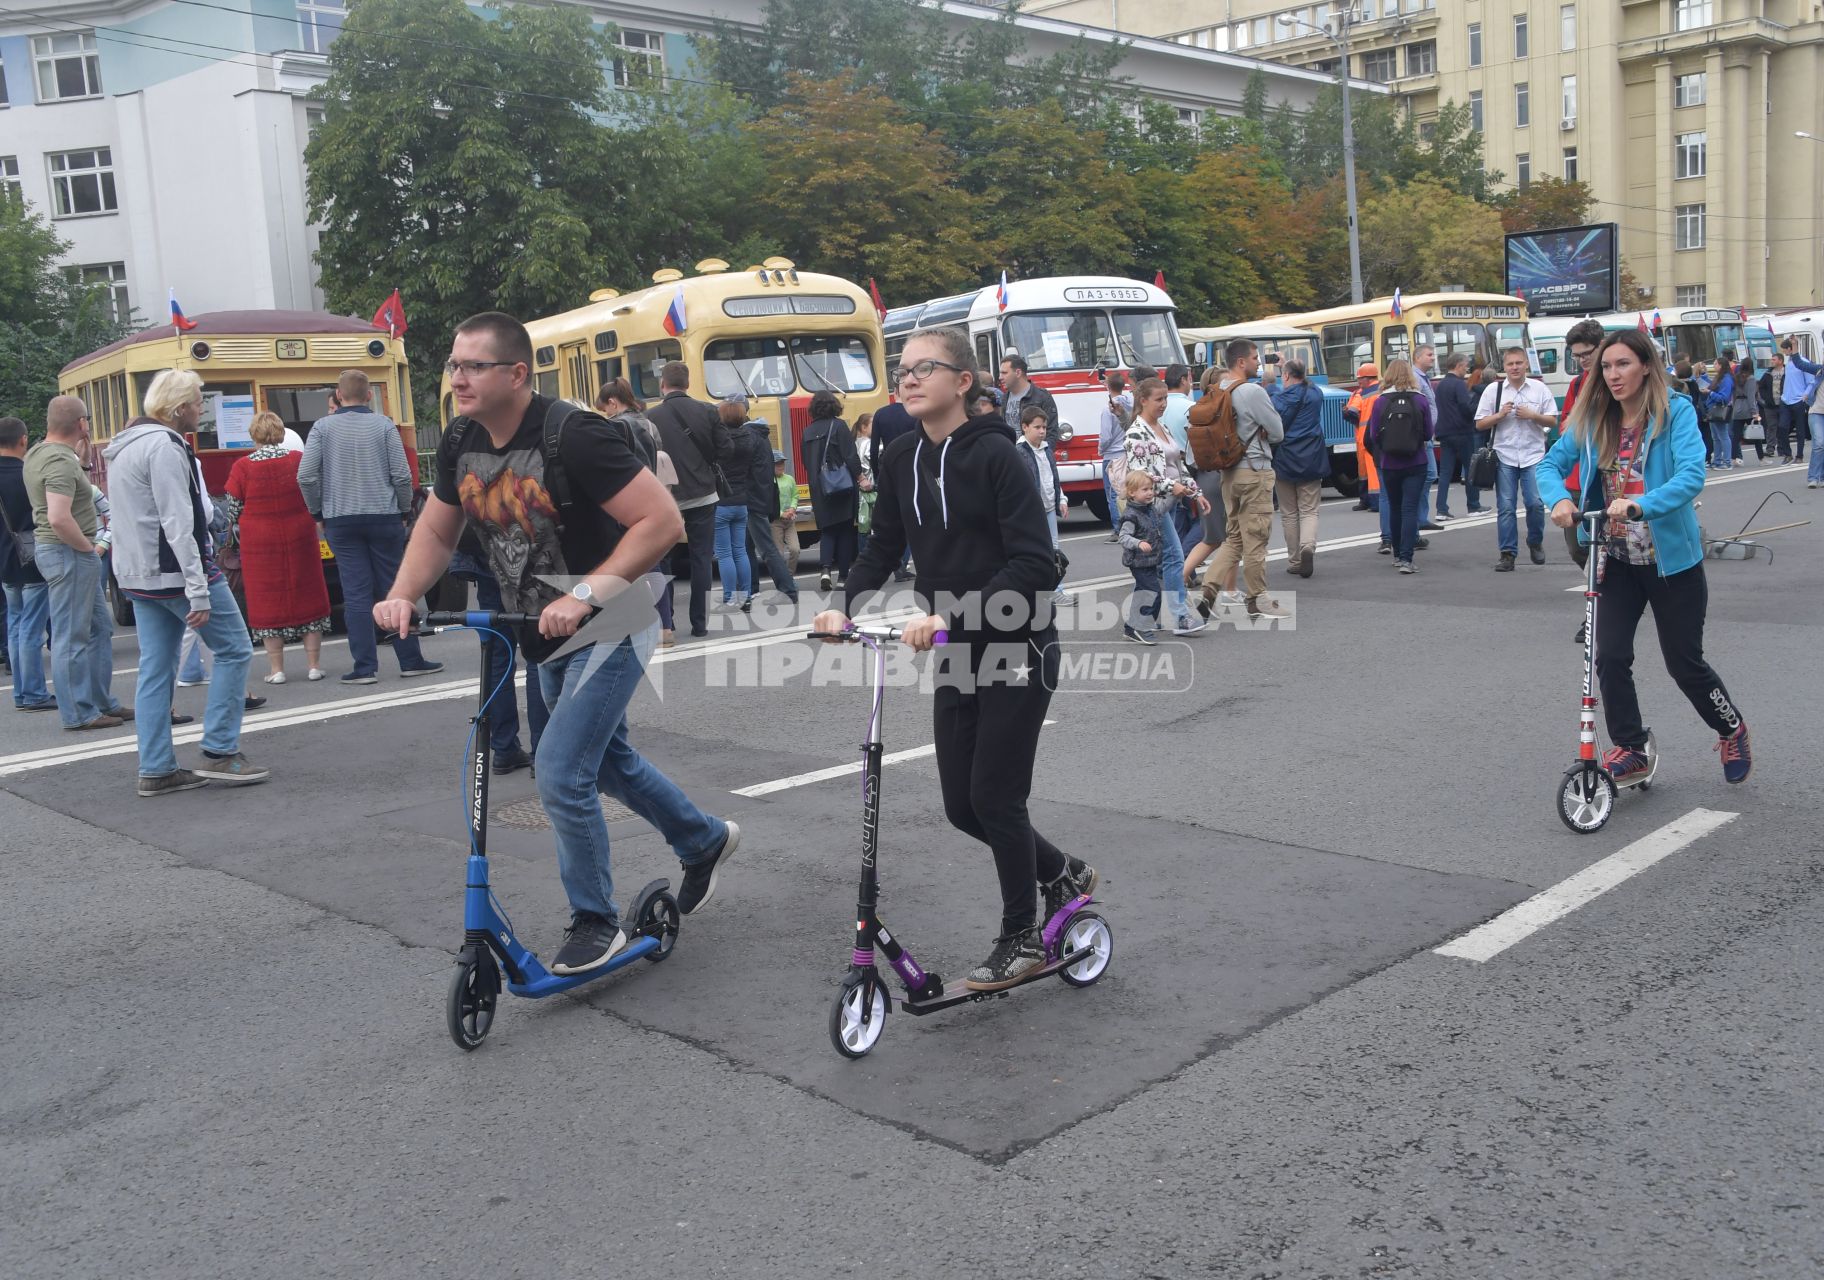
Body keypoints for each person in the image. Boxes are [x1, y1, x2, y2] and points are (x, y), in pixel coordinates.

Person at [377, 311, 739, 974]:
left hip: (613, 620)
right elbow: (435, 533)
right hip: (538, 634)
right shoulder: (461, 439)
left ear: (517, 373)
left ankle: (595, 920)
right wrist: (403, 592)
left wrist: (583, 596)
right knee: (605, 763)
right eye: (453, 365)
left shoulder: (576, 435)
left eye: (473, 366)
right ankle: (702, 839)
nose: (457, 378)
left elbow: (659, 522)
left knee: (560, 771)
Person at [813, 325, 1094, 992]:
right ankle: (1064, 874)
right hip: (957, 652)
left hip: (1017, 645)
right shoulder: (901, 457)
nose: (907, 380)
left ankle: (1022, 937)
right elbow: (882, 545)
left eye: (923, 369)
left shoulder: (1000, 458)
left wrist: (951, 614)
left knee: (997, 796)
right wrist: (845, 604)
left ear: (962, 382)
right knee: (962, 806)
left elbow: (1035, 564)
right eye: (901, 371)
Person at [1540, 328, 1751, 786]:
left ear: (1646, 367)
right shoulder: (1594, 416)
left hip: (1671, 562)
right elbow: (1550, 464)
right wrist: (1558, 499)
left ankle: (1731, 728)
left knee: (1684, 664)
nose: (1613, 375)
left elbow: (1692, 476)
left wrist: (1641, 504)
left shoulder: (1674, 413)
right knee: (1610, 657)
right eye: (1607, 367)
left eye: (1623, 365)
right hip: (1616, 560)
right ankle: (1632, 748)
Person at [104, 370, 268, 796]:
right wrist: (198, 587)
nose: (201, 408)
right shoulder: (165, 447)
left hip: (139, 575)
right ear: (179, 409)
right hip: (176, 572)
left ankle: (156, 767)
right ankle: (219, 750)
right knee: (234, 648)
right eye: (197, 401)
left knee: (156, 669)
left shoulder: (126, 447)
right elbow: (179, 523)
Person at [298, 369, 442, 684]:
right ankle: (411, 660)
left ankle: (364, 667)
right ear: (369, 396)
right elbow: (402, 475)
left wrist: (318, 511)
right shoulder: (383, 425)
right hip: (384, 516)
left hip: (340, 520)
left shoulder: (322, 428)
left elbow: (306, 476)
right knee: (394, 587)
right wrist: (404, 508)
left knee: (356, 592)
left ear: (338, 395)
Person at [26, 395, 127, 730]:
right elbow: (58, 517)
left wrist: (83, 464)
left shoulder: (41, 452)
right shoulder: (59, 461)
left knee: (98, 628)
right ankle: (80, 713)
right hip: (69, 552)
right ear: (81, 423)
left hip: (62, 552)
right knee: (71, 637)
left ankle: (100, 703)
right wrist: (87, 548)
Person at [224, 412, 330, 685]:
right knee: (308, 593)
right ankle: (314, 665)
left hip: (260, 543)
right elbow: (313, 490)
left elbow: (233, 509)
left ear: (254, 435)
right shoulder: (297, 460)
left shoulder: (242, 467)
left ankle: (277, 669)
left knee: (266, 599)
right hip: (301, 536)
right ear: (281, 432)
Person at [1197, 340, 1287, 621]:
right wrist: (1261, 429)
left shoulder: (1218, 390)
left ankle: (1209, 589)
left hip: (1228, 473)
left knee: (1234, 537)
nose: (1259, 362)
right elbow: (1278, 432)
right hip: (1255, 471)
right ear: (1240, 362)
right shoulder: (1252, 391)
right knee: (1257, 537)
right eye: (1254, 357)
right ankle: (1258, 599)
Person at [595, 378, 675, 650]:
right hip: (652, 495)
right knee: (655, 563)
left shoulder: (617, 425)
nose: (606, 414)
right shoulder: (649, 423)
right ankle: (666, 625)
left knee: (634, 565)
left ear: (613, 402)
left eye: (606, 408)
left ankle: (639, 628)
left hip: (629, 501)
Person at [645, 361, 723, 640]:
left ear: (662, 385)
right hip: (703, 494)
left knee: (662, 559)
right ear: (688, 384)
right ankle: (700, 624)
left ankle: (668, 623)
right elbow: (726, 448)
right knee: (701, 558)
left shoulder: (651, 417)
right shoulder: (708, 411)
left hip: (665, 498)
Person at [1125, 378, 1208, 636]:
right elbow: (1142, 475)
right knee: (1174, 557)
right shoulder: (1136, 433)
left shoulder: (1161, 427)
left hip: (1170, 502)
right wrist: (1173, 487)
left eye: (1165, 399)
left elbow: (1179, 466)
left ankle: (1146, 618)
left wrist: (1196, 493)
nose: (1163, 404)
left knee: (1158, 563)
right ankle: (1180, 617)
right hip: (1154, 506)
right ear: (1143, 400)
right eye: (1158, 399)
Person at [1476, 347, 1556, 570]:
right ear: (1504, 366)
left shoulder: (1539, 389)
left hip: (1533, 454)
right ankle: (1507, 553)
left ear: (1526, 365)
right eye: (1510, 364)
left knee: (1535, 503)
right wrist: (1500, 415)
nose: (1515, 368)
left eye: (1519, 363)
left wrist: (1533, 416)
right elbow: (1480, 423)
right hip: (1504, 454)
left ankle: (1535, 541)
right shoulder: (1495, 390)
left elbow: (1552, 421)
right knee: (1506, 506)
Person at [1, 416, 55, 712]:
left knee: (15, 626)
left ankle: (21, 692)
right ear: (23, 440)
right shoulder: (27, 474)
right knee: (32, 629)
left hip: (4, 562)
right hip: (32, 557)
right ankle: (34, 692)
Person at [1366, 359, 1436, 573]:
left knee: (1395, 508)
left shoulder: (1380, 401)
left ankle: (1397, 555)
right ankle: (1407, 559)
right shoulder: (1420, 400)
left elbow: (1373, 434)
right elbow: (1427, 433)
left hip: (1389, 463)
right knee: (1409, 509)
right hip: (1416, 461)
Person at [799, 390, 862, 593]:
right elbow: (850, 456)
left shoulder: (807, 432)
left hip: (819, 488)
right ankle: (843, 577)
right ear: (834, 405)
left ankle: (825, 570)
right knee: (844, 531)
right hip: (841, 485)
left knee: (827, 530)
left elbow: (805, 462)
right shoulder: (839, 426)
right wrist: (860, 477)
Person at [1270, 359, 1326, 578]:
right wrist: (1292, 367)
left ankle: (1294, 561)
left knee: (1289, 513)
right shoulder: (1316, 394)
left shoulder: (1278, 399)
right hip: (1311, 457)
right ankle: (1308, 547)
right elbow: (1308, 384)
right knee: (1309, 510)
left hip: (1284, 459)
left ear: (1285, 376)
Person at [1015, 404, 1071, 606]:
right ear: (1025, 427)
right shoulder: (1020, 452)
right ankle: (1043, 592)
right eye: (1037, 427)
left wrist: (1061, 499)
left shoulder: (1046, 450)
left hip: (1048, 508)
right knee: (1038, 552)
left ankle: (1055, 589)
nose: (1042, 431)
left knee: (1054, 550)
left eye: (1044, 427)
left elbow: (1052, 478)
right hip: (1033, 512)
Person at [744, 420, 799, 605]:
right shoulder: (762, 437)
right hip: (759, 500)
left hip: (751, 501)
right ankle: (752, 589)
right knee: (749, 547)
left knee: (766, 548)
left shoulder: (749, 437)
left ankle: (787, 590)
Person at [711, 399, 755, 613]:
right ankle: (746, 596)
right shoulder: (749, 438)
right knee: (741, 550)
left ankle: (729, 597)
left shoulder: (720, 441)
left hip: (721, 502)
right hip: (741, 501)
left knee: (724, 553)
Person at [1433, 353, 1482, 520]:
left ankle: (1441, 509)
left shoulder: (1440, 385)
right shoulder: (1459, 384)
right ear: (1459, 365)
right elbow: (1465, 407)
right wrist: (1477, 408)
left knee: (1445, 472)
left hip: (1444, 432)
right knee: (1470, 469)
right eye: (1465, 366)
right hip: (1462, 431)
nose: (1466, 370)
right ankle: (1473, 506)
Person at [1117, 470, 1163, 644]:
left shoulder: (1149, 509)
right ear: (1132, 493)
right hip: (1138, 561)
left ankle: (1131, 628)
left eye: (1151, 488)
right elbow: (1123, 537)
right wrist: (1138, 543)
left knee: (1141, 593)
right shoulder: (1131, 515)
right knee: (1153, 593)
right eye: (1145, 489)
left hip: (1150, 560)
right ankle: (1142, 627)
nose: (1150, 492)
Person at [1411, 344, 1443, 529]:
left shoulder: (1424, 377)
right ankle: (1417, 517)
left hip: (1427, 435)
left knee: (1429, 474)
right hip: (1422, 437)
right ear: (1417, 358)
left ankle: (1420, 518)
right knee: (1428, 473)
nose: (1433, 358)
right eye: (1429, 355)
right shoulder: (1415, 378)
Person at [1344, 364, 1382, 512]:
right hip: (1376, 436)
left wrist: (1346, 411)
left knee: (1367, 472)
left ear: (1367, 379)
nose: (1358, 381)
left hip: (1364, 438)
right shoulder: (1381, 390)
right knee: (1371, 471)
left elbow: (1352, 413)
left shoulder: (1361, 394)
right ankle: (1370, 501)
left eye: (1360, 379)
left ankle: (1371, 501)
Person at [1000, 355, 1059, 447]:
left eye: (1004, 373)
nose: (1000, 377)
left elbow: (1052, 433)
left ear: (1018, 373)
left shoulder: (1042, 397)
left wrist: (1042, 455)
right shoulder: (1004, 398)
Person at [1778, 338, 1816, 468]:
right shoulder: (1788, 363)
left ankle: (1799, 456)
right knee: (1782, 427)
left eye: (1784, 349)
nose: (1783, 351)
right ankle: (1787, 454)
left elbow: (1811, 381)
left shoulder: (1804, 362)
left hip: (1799, 399)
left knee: (1800, 430)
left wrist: (1806, 394)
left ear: (1790, 349)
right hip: (1786, 400)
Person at [1098, 383, 1128, 543]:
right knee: (1125, 491)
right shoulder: (1130, 403)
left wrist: (1100, 450)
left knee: (1113, 494)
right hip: (1126, 453)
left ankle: (1118, 530)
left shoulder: (1107, 409)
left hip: (1111, 455)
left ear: (1108, 387)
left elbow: (1105, 436)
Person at [1730, 353, 1762, 464]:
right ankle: (1761, 458)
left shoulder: (1736, 377)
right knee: (1757, 434)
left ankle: (1733, 458)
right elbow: (1751, 397)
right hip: (1748, 410)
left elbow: (1733, 395)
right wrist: (1755, 412)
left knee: (1736, 436)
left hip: (1737, 408)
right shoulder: (1751, 379)